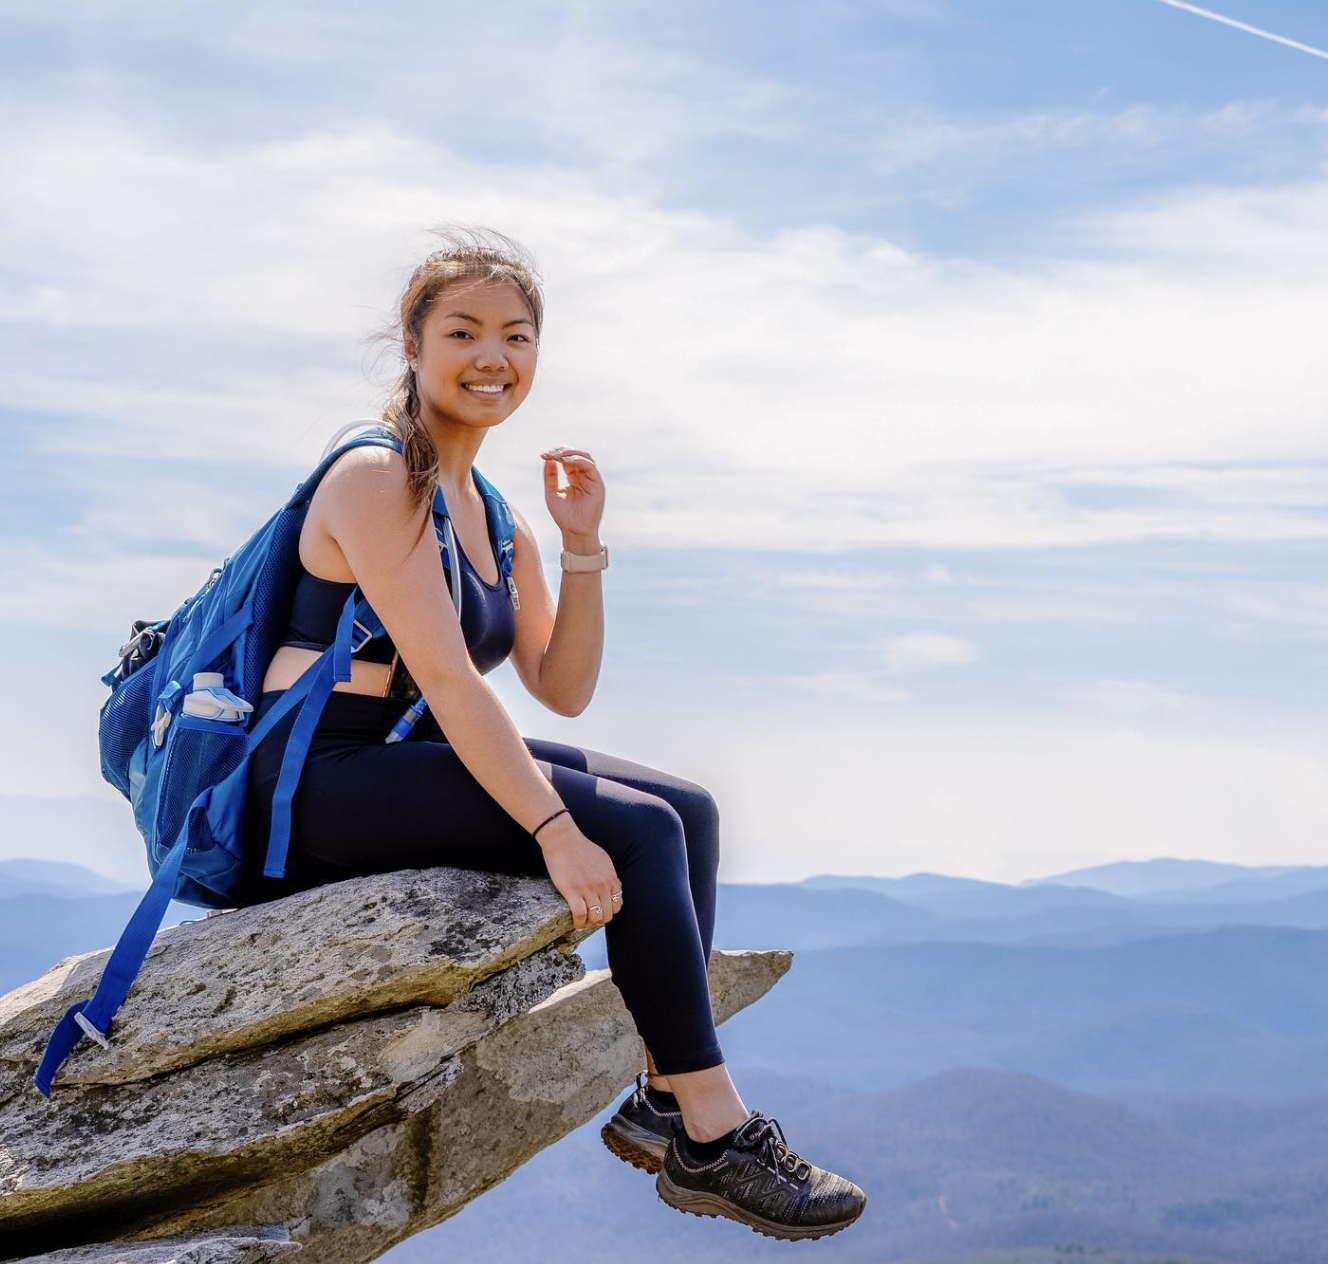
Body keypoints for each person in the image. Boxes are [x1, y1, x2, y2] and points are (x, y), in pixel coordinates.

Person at [243, 226, 865, 1240]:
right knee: (636, 830)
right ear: (411, 343)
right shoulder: (373, 477)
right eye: (463, 331)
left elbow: (560, 687)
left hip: (398, 760)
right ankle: (713, 1129)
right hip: (314, 778)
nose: (494, 356)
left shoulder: (488, 510)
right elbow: (447, 680)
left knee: (688, 808)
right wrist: (552, 829)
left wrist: (580, 548)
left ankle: (665, 1097)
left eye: (517, 335)